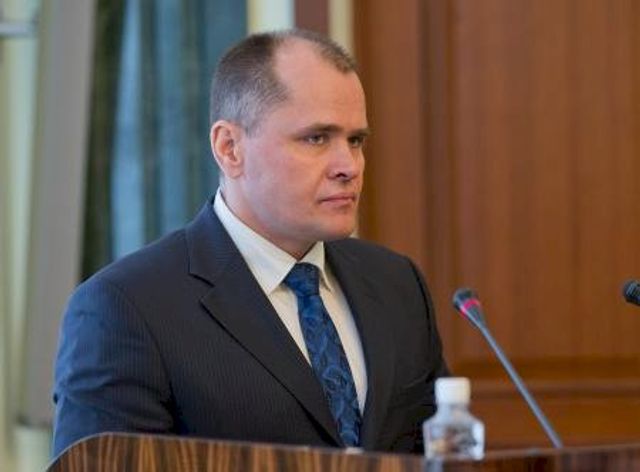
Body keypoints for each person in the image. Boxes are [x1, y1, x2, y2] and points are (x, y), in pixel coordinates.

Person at [52, 29, 448, 458]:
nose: (348, 166)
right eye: (316, 138)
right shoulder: (126, 307)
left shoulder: (397, 284)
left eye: (355, 141)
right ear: (229, 148)